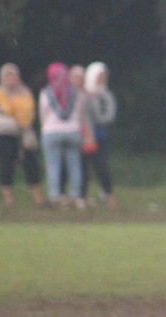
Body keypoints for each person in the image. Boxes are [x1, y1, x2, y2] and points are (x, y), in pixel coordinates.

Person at [0, 63, 44, 208]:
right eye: (8, 76)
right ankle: (8, 199)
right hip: (3, 134)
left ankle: (38, 198)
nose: (11, 79)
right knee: (6, 165)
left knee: (31, 164)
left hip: (24, 133)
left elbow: (31, 112)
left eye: (13, 76)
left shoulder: (25, 92)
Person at [39, 62, 89, 208]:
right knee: (74, 165)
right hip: (73, 131)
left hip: (51, 132)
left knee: (54, 165)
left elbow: (43, 113)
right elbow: (80, 113)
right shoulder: (74, 92)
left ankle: (55, 196)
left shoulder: (46, 92)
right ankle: (76, 196)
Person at [82, 62, 118, 208]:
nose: (102, 79)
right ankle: (81, 198)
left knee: (102, 167)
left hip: (99, 136)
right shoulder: (83, 93)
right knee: (82, 169)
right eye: (100, 76)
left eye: (104, 76)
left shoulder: (106, 94)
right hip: (83, 137)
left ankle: (109, 197)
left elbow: (107, 116)